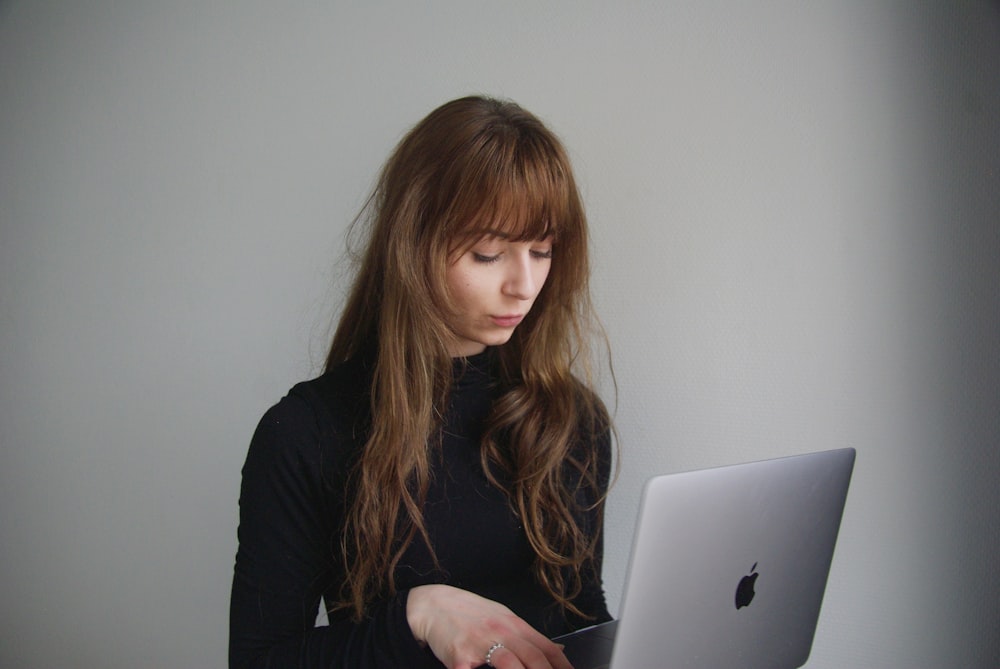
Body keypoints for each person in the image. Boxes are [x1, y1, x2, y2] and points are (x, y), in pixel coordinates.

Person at [229, 95, 614, 669]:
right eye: (488, 253)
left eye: (543, 250)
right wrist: (418, 616)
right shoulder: (305, 434)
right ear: (413, 244)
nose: (524, 285)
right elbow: (260, 660)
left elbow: (579, 613)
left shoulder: (570, 418)